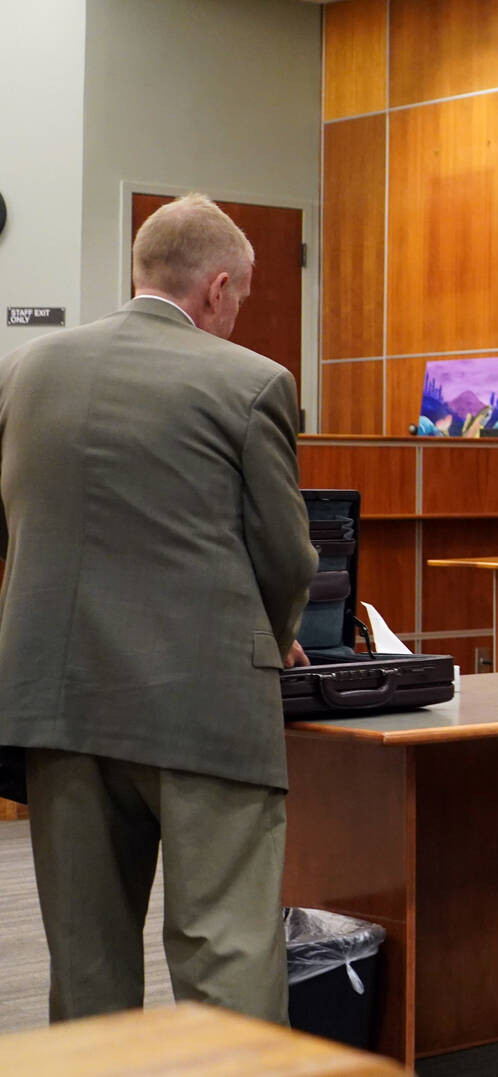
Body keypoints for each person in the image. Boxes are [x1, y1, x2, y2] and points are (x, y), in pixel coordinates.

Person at [0, 193, 317, 1024]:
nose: (238, 313)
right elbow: (286, 558)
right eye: (241, 297)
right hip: (204, 705)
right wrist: (278, 639)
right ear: (217, 288)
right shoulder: (251, 382)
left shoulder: (24, 371)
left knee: (88, 968)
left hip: (58, 706)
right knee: (226, 960)